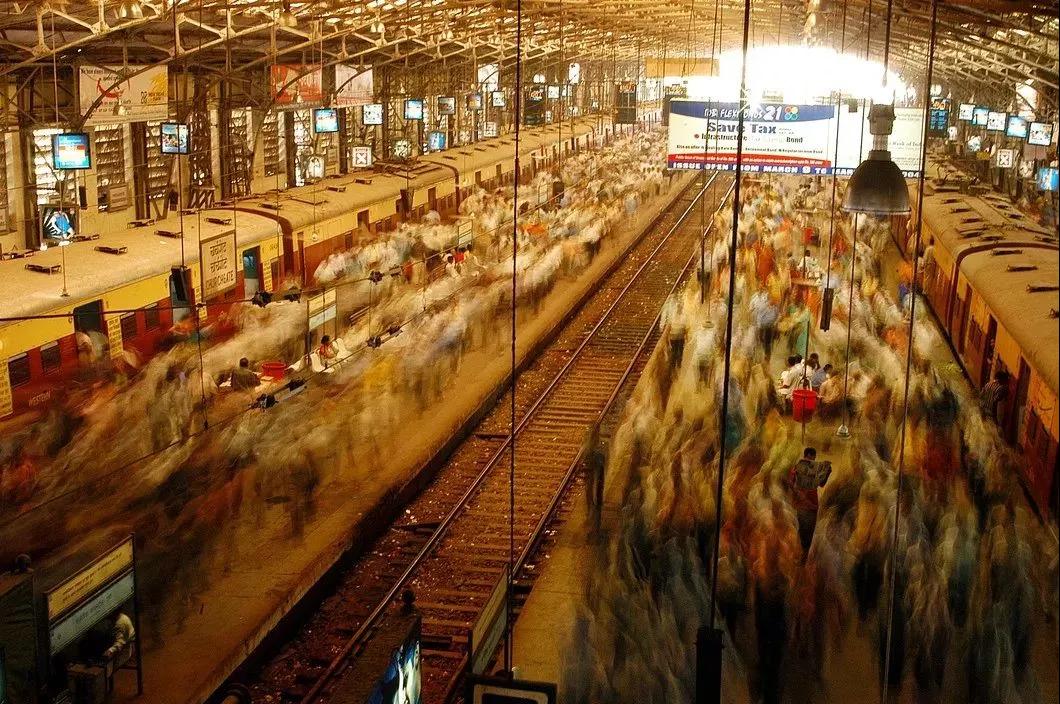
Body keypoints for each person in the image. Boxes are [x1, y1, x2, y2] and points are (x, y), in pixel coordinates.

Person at [787, 447, 832, 556]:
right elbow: (822, 484)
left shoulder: (797, 467)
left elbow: (821, 484)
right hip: (808, 504)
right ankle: (802, 554)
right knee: (805, 532)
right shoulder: (797, 467)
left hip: (803, 504)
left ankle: (800, 554)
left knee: (802, 530)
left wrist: (827, 472)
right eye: (812, 458)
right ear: (809, 456)